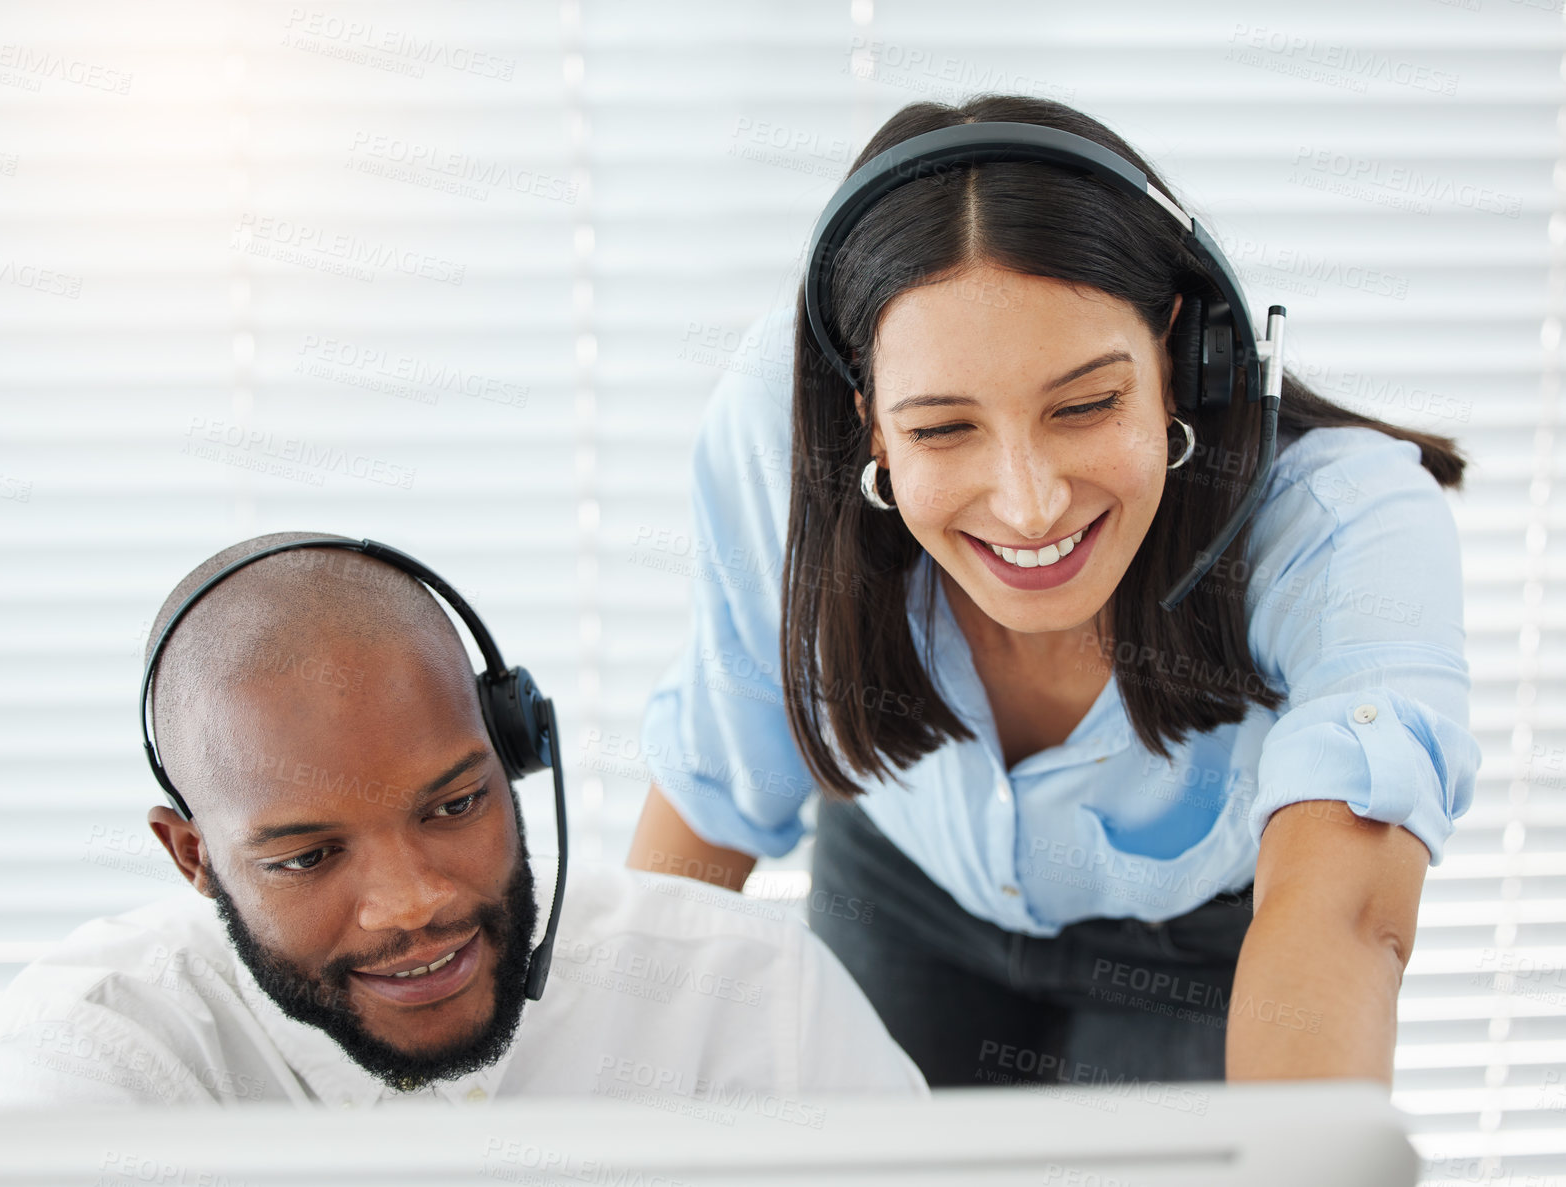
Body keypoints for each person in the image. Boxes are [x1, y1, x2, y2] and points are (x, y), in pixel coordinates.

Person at [627, 95, 1481, 1089]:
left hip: (1195, 939)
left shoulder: (1344, 521)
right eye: (943, 430)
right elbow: (719, 785)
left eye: (1085, 405)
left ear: (1180, 353)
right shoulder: (778, 431)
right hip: (907, 884)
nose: (1030, 507)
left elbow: (1342, 918)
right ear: (863, 416)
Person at [0, 532, 924, 1108]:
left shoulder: (754, 996)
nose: (411, 903)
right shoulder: (100, 1043)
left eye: (455, 803)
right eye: (307, 856)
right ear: (195, 857)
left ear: (514, 754)